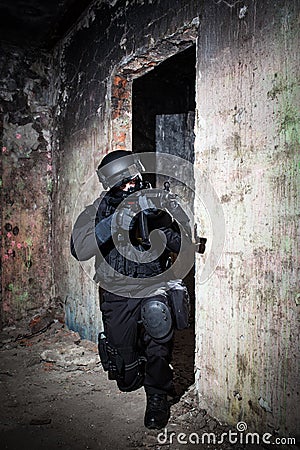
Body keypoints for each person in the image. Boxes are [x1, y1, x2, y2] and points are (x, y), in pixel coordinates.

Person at [70, 150, 193, 430]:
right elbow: (80, 250)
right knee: (126, 378)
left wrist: (166, 222)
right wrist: (117, 221)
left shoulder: (151, 204)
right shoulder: (96, 211)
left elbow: (178, 242)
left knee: (158, 322)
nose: (132, 187)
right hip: (117, 291)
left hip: (152, 285)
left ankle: (158, 394)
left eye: (134, 179)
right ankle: (135, 364)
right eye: (123, 184)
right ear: (111, 186)